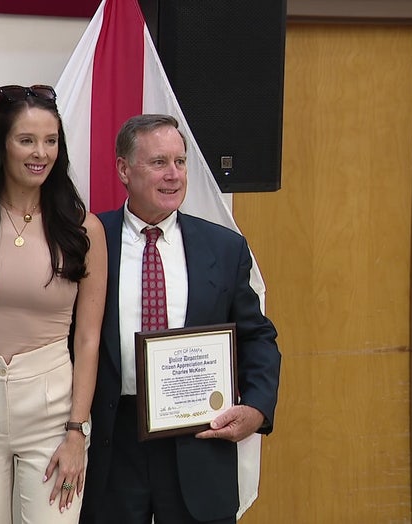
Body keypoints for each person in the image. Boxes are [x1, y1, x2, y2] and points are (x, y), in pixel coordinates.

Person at [79, 114, 281, 524]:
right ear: (123, 169)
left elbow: (257, 337)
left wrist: (257, 408)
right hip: (112, 443)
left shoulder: (224, 247)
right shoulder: (90, 239)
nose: (173, 175)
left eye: (180, 162)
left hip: (198, 443)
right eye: (158, 163)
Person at [0, 84, 107, 523]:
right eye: (27, 140)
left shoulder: (83, 228)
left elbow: (89, 338)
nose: (41, 153)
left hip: (53, 406)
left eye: (51, 141)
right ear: (2, 145)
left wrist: (77, 431)